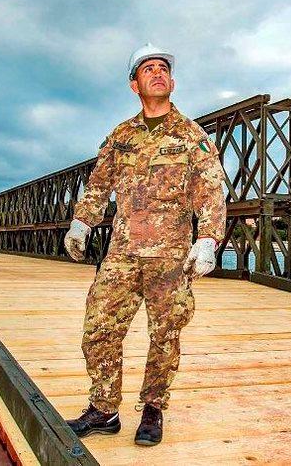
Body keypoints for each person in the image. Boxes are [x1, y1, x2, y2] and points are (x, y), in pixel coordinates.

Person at [62, 43, 226, 446]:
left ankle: (153, 408)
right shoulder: (121, 136)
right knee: (98, 330)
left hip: (170, 256)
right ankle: (104, 410)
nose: (157, 73)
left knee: (165, 334)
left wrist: (207, 239)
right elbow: (98, 184)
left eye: (163, 68)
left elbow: (211, 190)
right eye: (148, 69)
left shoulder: (192, 136)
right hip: (121, 252)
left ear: (171, 81)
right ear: (134, 84)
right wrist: (81, 222)